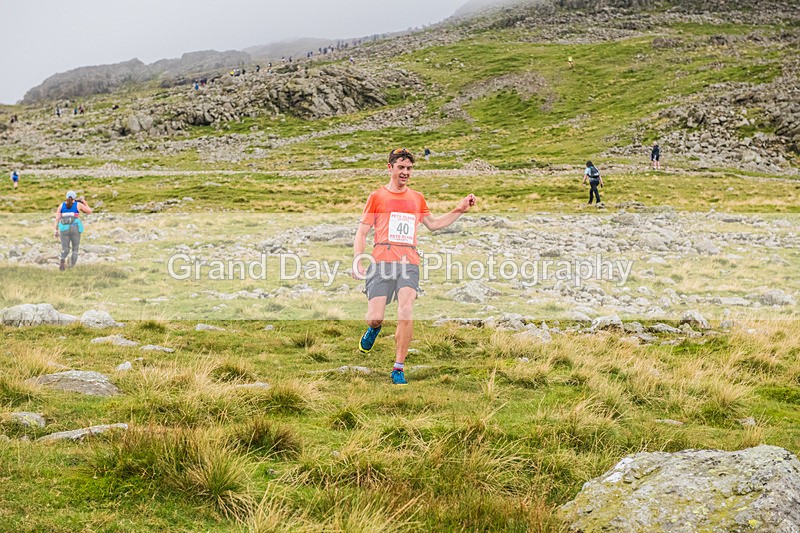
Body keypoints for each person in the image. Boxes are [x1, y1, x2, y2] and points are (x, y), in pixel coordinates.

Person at [353, 148, 476, 385]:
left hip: (409, 262)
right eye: (401, 167)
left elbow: (434, 224)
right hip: (381, 261)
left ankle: (398, 368)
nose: (405, 172)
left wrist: (460, 209)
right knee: (375, 318)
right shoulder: (377, 197)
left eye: (409, 168)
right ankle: (374, 329)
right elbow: (362, 231)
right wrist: (358, 259)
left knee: (406, 311)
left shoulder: (417, 198)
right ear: (390, 168)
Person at [54, 191, 92, 271]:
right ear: (75, 198)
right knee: (75, 249)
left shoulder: (61, 205)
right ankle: (71, 267)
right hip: (75, 228)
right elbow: (89, 212)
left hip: (64, 229)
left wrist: (56, 230)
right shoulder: (78, 205)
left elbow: (57, 219)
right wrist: (85, 203)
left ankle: (63, 258)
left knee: (65, 248)